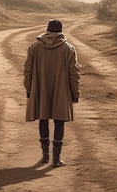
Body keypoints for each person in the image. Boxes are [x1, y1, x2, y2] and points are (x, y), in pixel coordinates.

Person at [23, 19, 80, 167]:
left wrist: (29, 89)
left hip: (40, 89)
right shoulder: (68, 49)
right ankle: (56, 158)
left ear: (47, 30)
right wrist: (75, 92)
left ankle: (45, 155)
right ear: (60, 32)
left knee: (43, 118)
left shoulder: (34, 47)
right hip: (61, 90)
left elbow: (27, 70)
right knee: (59, 121)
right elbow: (74, 74)